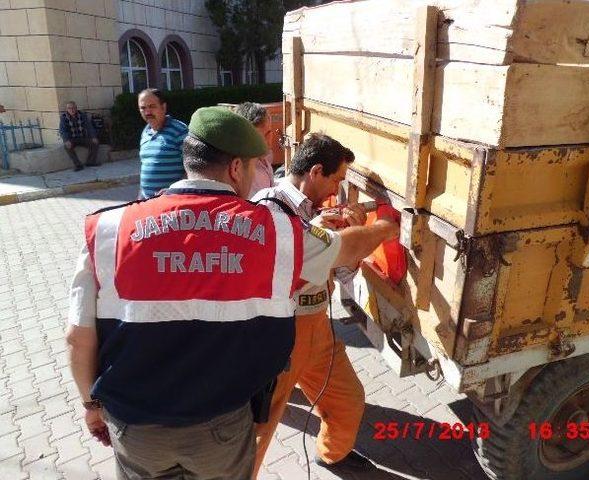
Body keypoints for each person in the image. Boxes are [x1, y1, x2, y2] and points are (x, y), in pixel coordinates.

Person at [66, 107, 399, 480]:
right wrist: (386, 226)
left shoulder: (108, 229)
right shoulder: (273, 230)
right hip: (220, 426)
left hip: (135, 428)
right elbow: (345, 249)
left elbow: (78, 339)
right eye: (256, 164)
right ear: (236, 168)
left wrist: (91, 405)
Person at [251, 133, 376, 476]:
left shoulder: (312, 210)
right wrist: (325, 236)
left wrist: (345, 240)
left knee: (348, 401)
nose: (336, 189)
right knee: (258, 430)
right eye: (335, 179)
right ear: (316, 171)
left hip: (317, 328)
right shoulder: (269, 203)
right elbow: (281, 265)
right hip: (281, 335)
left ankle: (332, 454)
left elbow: (343, 272)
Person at [138, 88, 188, 199]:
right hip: (148, 203)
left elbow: (193, 167)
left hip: (173, 204)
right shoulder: (145, 132)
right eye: (143, 108)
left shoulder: (180, 131)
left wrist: (175, 191)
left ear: (163, 107)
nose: (147, 112)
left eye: (152, 106)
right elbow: (145, 168)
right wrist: (139, 199)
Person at [234, 102, 274, 198]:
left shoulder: (264, 158)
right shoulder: (242, 173)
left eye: (269, 132)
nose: (268, 140)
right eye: (260, 137)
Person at [59, 101, 99, 171]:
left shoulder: (82, 115)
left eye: (73, 108)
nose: (72, 110)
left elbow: (89, 127)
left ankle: (90, 162)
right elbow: (63, 130)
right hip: (72, 139)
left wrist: (93, 137)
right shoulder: (63, 117)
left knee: (95, 143)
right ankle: (78, 165)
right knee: (67, 147)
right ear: (67, 109)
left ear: (76, 108)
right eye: (69, 108)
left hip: (82, 137)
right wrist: (66, 140)